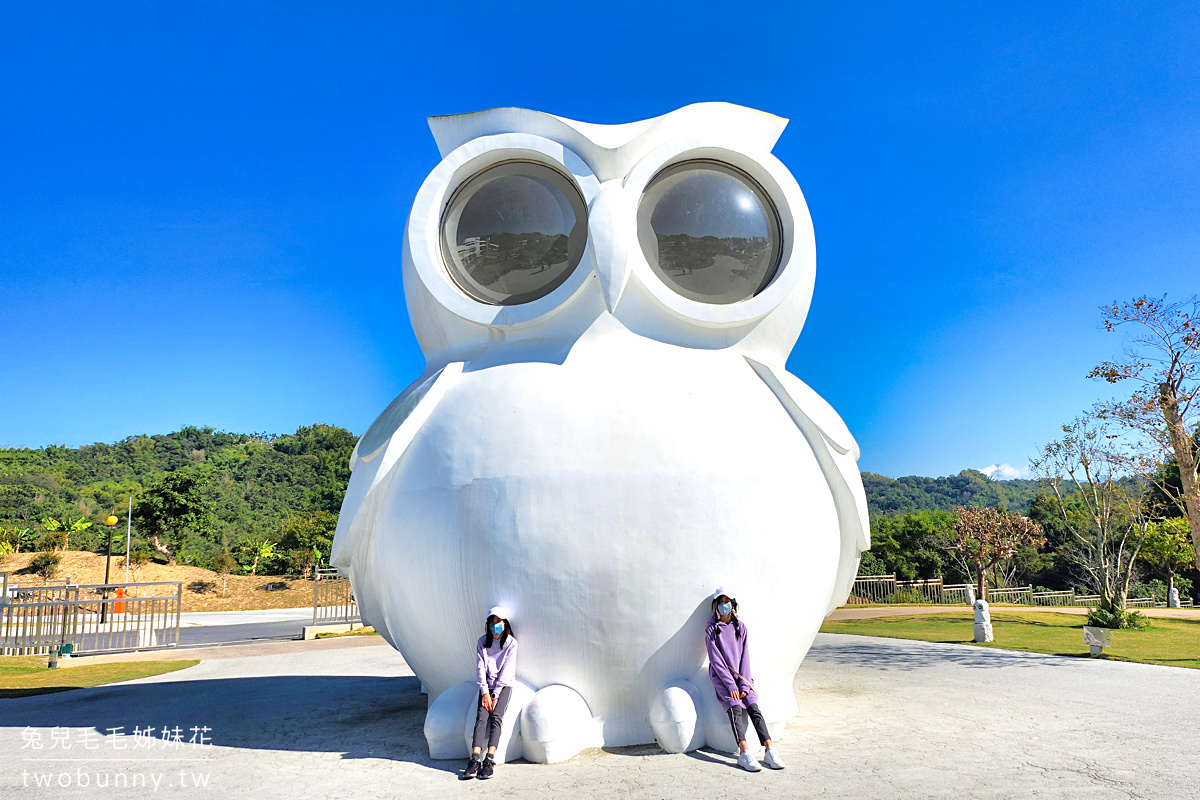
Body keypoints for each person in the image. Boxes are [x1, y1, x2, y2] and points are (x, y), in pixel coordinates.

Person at [705, 587, 786, 772]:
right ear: (716, 607)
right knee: (734, 709)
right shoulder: (711, 629)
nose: (724, 606)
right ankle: (744, 752)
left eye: (727, 603)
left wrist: (742, 684)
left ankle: (769, 748)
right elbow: (715, 660)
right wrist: (731, 685)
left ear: (732, 605)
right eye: (720, 603)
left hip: (742, 677)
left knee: (753, 707)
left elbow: (745, 658)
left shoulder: (741, 628)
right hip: (722, 678)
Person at [462, 605, 517, 780]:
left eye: (498, 621)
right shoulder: (482, 642)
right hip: (487, 686)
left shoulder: (511, 644)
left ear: (505, 623)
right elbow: (480, 669)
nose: (495, 625)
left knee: (496, 718)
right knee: (481, 717)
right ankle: (475, 758)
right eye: (492, 621)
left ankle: (489, 759)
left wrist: (496, 694)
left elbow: (507, 671)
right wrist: (485, 692)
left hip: (503, 686)